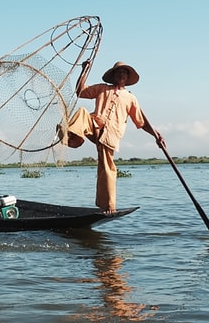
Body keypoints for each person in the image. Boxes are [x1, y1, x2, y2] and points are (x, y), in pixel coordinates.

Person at [60, 61, 164, 212]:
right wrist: (84, 71)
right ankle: (71, 138)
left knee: (107, 168)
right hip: (94, 125)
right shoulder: (103, 88)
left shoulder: (130, 98)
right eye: (118, 72)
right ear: (113, 76)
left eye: (124, 73)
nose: (121, 75)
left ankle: (109, 205)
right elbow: (80, 91)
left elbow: (141, 122)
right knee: (82, 112)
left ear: (127, 78)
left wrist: (156, 135)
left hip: (111, 135)